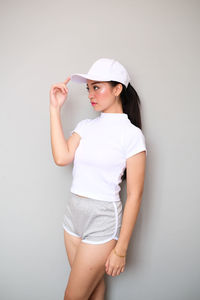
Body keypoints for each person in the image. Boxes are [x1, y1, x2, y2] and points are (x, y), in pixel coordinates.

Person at [49, 58, 147, 300]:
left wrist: (121, 250)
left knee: (72, 296)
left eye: (97, 87)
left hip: (102, 219)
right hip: (73, 217)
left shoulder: (132, 136)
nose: (91, 94)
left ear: (117, 89)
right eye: (88, 88)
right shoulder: (86, 126)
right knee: (94, 290)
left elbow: (135, 195)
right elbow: (62, 157)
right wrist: (54, 109)